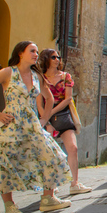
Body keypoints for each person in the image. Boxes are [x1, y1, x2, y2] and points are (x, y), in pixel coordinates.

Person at [0, 41, 71, 213]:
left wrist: (44, 119)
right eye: (32, 51)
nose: (36, 54)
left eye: (36, 51)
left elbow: (49, 99)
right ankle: (9, 207)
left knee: (52, 155)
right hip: (11, 126)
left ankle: (48, 198)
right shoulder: (7, 72)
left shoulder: (36, 75)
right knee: (8, 165)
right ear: (20, 53)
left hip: (33, 125)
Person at [37, 49, 91, 195]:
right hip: (45, 117)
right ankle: (50, 185)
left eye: (58, 57)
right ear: (46, 59)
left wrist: (52, 112)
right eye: (53, 57)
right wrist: (46, 117)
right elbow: (39, 102)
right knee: (49, 152)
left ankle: (75, 183)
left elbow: (68, 98)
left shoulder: (66, 76)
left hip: (63, 114)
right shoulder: (40, 78)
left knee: (73, 148)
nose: (57, 59)